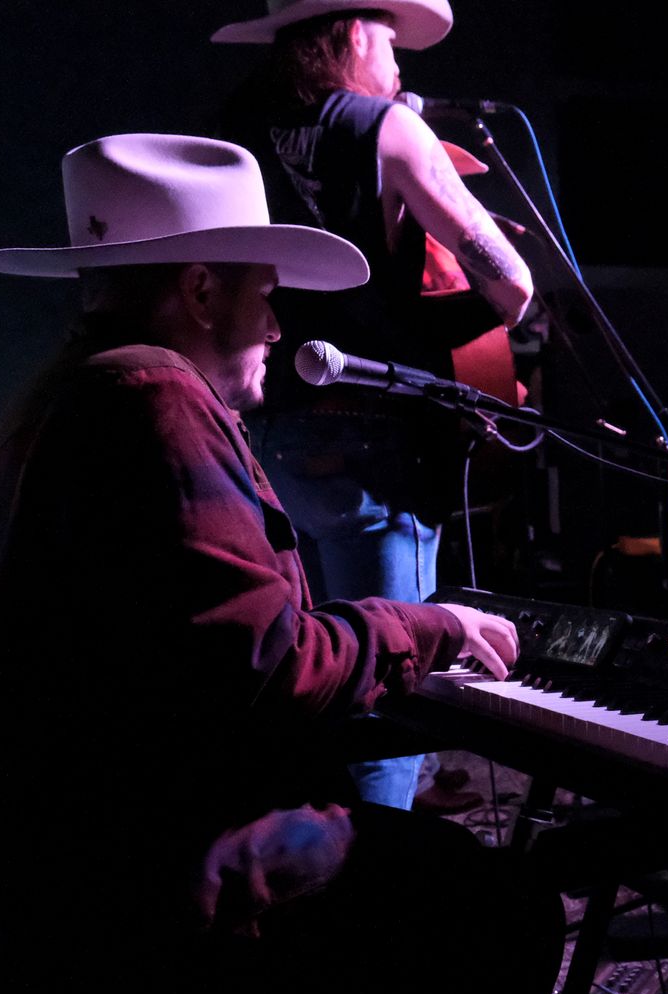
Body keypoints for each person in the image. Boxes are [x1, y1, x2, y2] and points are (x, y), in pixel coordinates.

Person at [0, 133, 561, 994]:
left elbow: (182, 671)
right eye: (263, 290)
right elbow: (266, 663)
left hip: (9, 882)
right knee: (495, 915)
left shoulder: (56, 404)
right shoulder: (152, 405)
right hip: (86, 907)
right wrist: (431, 627)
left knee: (407, 882)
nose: (277, 321)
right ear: (200, 287)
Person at [215, 0, 535, 809]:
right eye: (393, 48)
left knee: (313, 665)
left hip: (271, 428)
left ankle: (309, 867)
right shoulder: (387, 128)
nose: (402, 72)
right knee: (389, 681)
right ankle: (370, 891)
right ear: (356, 34)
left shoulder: (234, 128)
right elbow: (511, 288)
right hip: (376, 436)